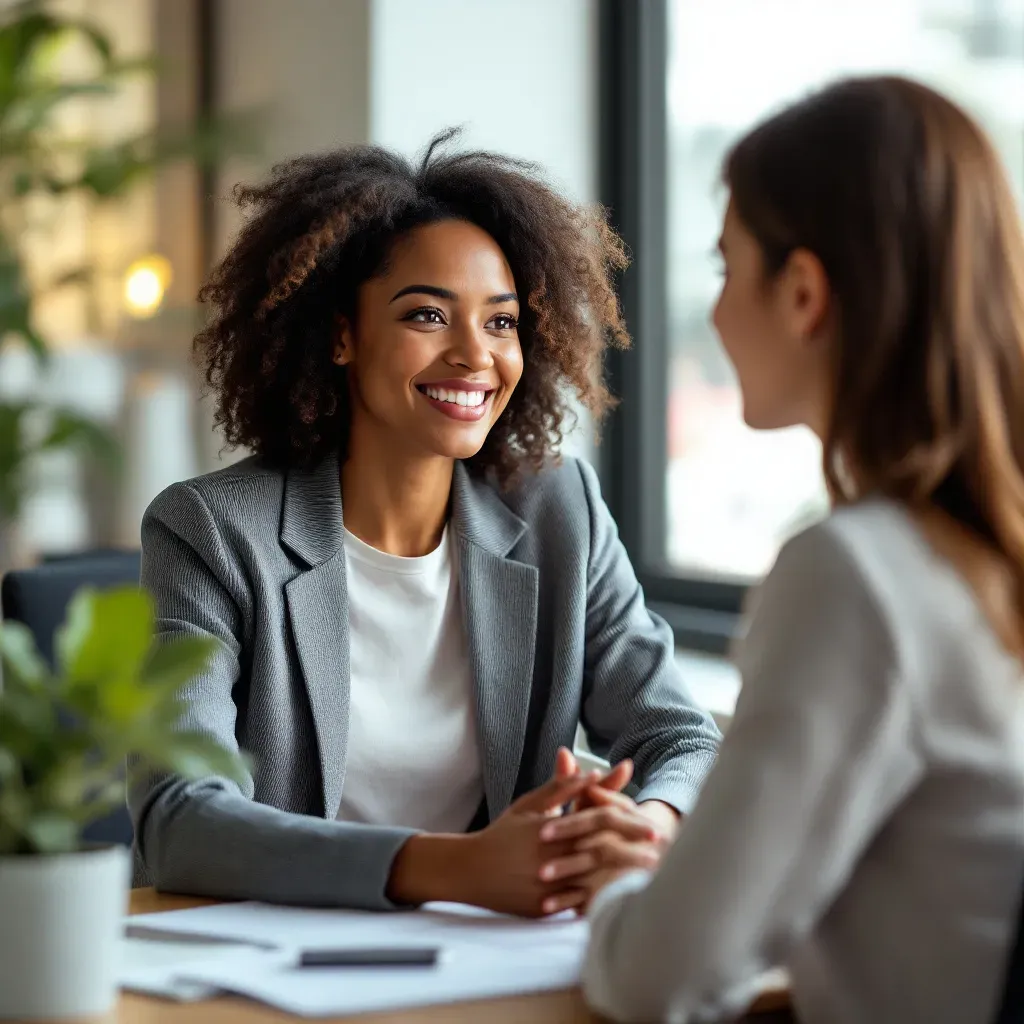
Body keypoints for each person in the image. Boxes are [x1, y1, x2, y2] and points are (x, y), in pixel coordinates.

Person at [129, 133, 721, 916]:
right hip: (281, 955)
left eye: (501, 322)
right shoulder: (210, 530)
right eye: (428, 315)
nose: (475, 354)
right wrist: (457, 868)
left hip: (486, 954)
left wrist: (646, 829)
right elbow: (179, 819)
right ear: (341, 334)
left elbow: (680, 738)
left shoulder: (559, 510)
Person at [575, 75, 1024, 1023]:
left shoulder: (858, 577)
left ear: (805, 293)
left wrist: (617, 888)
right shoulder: (981, 562)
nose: (715, 312)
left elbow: (661, 976)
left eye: (727, 266)